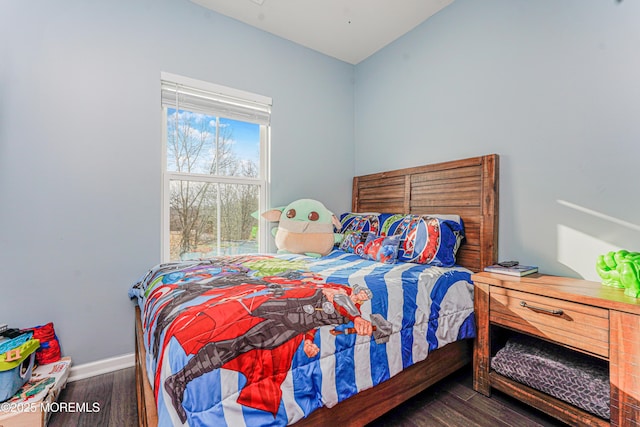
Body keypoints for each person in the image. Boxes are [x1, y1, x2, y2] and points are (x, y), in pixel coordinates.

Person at [161, 279, 373, 423]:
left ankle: (181, 378)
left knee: (241, 346)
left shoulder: (352, 313)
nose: (363, 295)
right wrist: (356, 317)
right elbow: (336, 299)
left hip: (290, 329)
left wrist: (308, 342)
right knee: (237, 341)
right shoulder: (342, 293)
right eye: (362, 291)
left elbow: (316, 323)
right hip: (285, 310)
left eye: (365, 295)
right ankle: (181, 379)